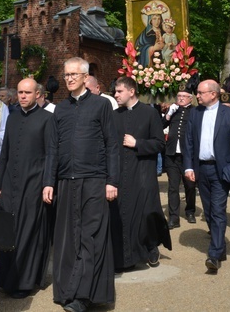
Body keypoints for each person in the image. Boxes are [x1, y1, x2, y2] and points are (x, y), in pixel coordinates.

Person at [43, 57, 119, 312]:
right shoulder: (60, 110)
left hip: (94, 180)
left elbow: (112, 145)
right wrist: (48, 182)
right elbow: (53, 149)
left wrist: (112, 181)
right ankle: (67, 291)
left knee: (90, 237)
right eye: (66, 74)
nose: (69, 78)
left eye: (74, 74)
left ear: (86, 78)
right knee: (67, 239)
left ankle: (83, 296)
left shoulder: (101, 106)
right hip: (66, 182)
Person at [0, 79, 54, 298]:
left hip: (33, 184)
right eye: (20, 92)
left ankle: (23, 282)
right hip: (10, 184)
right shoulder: (12, 117)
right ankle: (5, 279)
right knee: (6, 230)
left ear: (37, 94)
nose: (22, 96)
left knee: (28, 233)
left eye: (27, 92)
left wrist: (48, 183)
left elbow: (51, 155)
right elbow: (5, 153)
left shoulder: (48, 119)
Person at [183, 80, 230, 273]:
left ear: (213, 94)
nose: (197, 96)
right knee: (209, 211)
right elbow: (188, 142)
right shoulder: (194, 113)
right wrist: (188, 167)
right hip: (201, 169)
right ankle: (221, 248)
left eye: (201, 93)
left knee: (218, 211)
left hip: (221, 169)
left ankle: (214, 254)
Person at [111, 77, 171, 271]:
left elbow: (160, 143)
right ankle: (125, 257)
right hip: (121, 173)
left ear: (131, 91)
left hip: (143, 171)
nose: (116, 95)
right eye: (115, 91)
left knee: (146, 212)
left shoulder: (149, 113)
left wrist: (138, 144)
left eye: (119, 91)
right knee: (122, 213)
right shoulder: (113, 115)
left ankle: (151, 246)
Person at [162, 89, 197, 228]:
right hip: (171, 153)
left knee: (189, 185)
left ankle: (190, 210)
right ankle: (174, 218)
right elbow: (161, 125)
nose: (181, 98)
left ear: (190, 98)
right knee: (173, 187)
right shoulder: (173, 110)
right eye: (179, 96)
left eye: (184, 96)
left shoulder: (195, 111)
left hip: (187, 155)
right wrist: (169, 114)